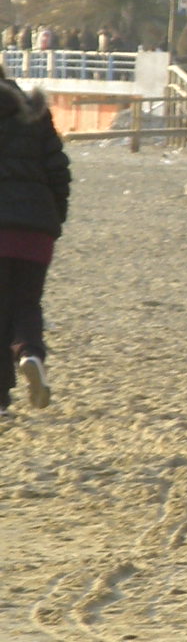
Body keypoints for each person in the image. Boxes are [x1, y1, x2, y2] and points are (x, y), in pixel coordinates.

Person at [0, 73, 69, 415]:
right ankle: (30, 353)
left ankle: (0, 398)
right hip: (36, 231)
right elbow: (59, 172)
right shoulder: (35, 114)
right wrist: (54, 219)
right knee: (26, 303)